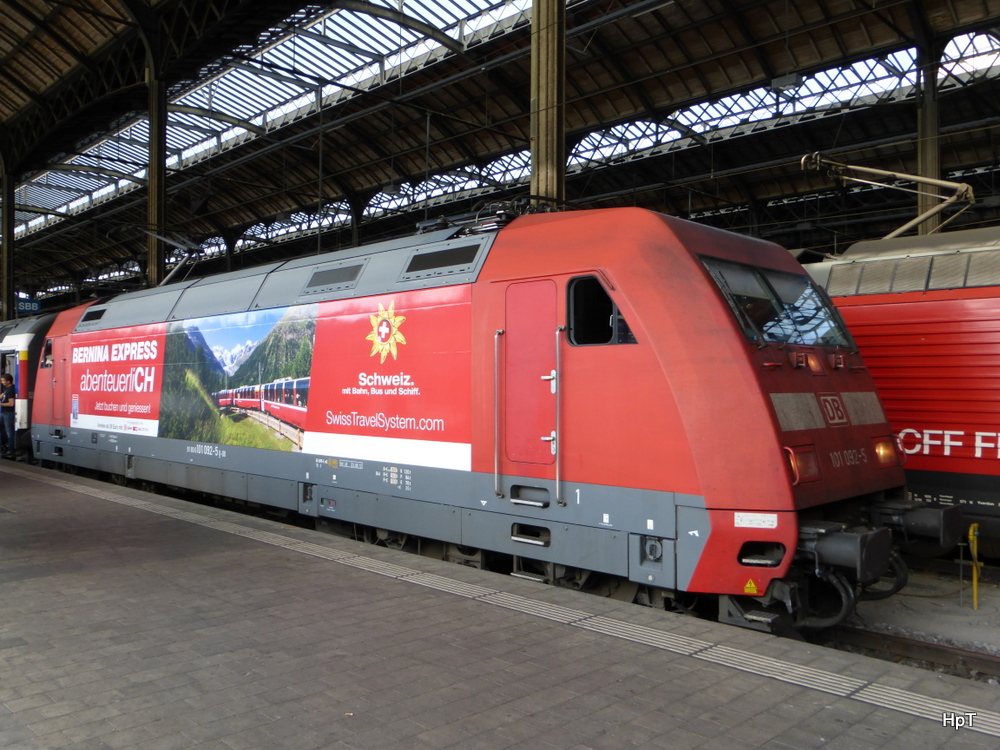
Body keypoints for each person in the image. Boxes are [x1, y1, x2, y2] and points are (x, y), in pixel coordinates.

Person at [0, 374, 15, 459]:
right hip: (4, 413)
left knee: (9, 431)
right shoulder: (7, 389)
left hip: (8, 413)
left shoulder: (10, 389)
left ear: (8, 381)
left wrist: (0, 404)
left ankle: (11, 450)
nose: (1, 382)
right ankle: (4, 445)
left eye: (3, 380)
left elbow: (11, 403)